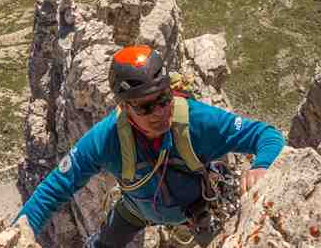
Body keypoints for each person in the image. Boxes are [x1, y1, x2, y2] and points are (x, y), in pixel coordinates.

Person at [16, 45, 285, 247]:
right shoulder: (106, 138)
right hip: (135, 210)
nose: (160, 111)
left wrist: (261, 166)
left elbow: (267, 135)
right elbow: (53, 190)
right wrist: (15, 235)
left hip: (198, 212)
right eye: (145, 106)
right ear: (124, 107)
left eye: (164, 98)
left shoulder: (195, 120)